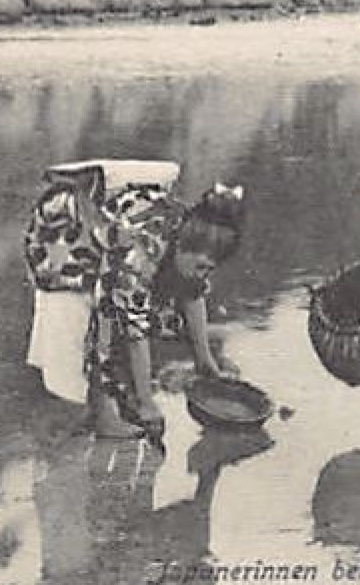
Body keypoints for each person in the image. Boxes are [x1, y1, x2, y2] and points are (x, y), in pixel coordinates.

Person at [86, 181, 246, 441]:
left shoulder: (195, 231)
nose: (204, 274)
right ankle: (103, 413)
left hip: (122, 238)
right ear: (181, 247)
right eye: (202, 266)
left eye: (209, 269)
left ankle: (126, 385)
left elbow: (193, 294)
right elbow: (135, 330)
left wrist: (205, 362)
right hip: (73, 239)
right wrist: (147, 403)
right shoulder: (143, 251)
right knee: (107, 316)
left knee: (161, 311)